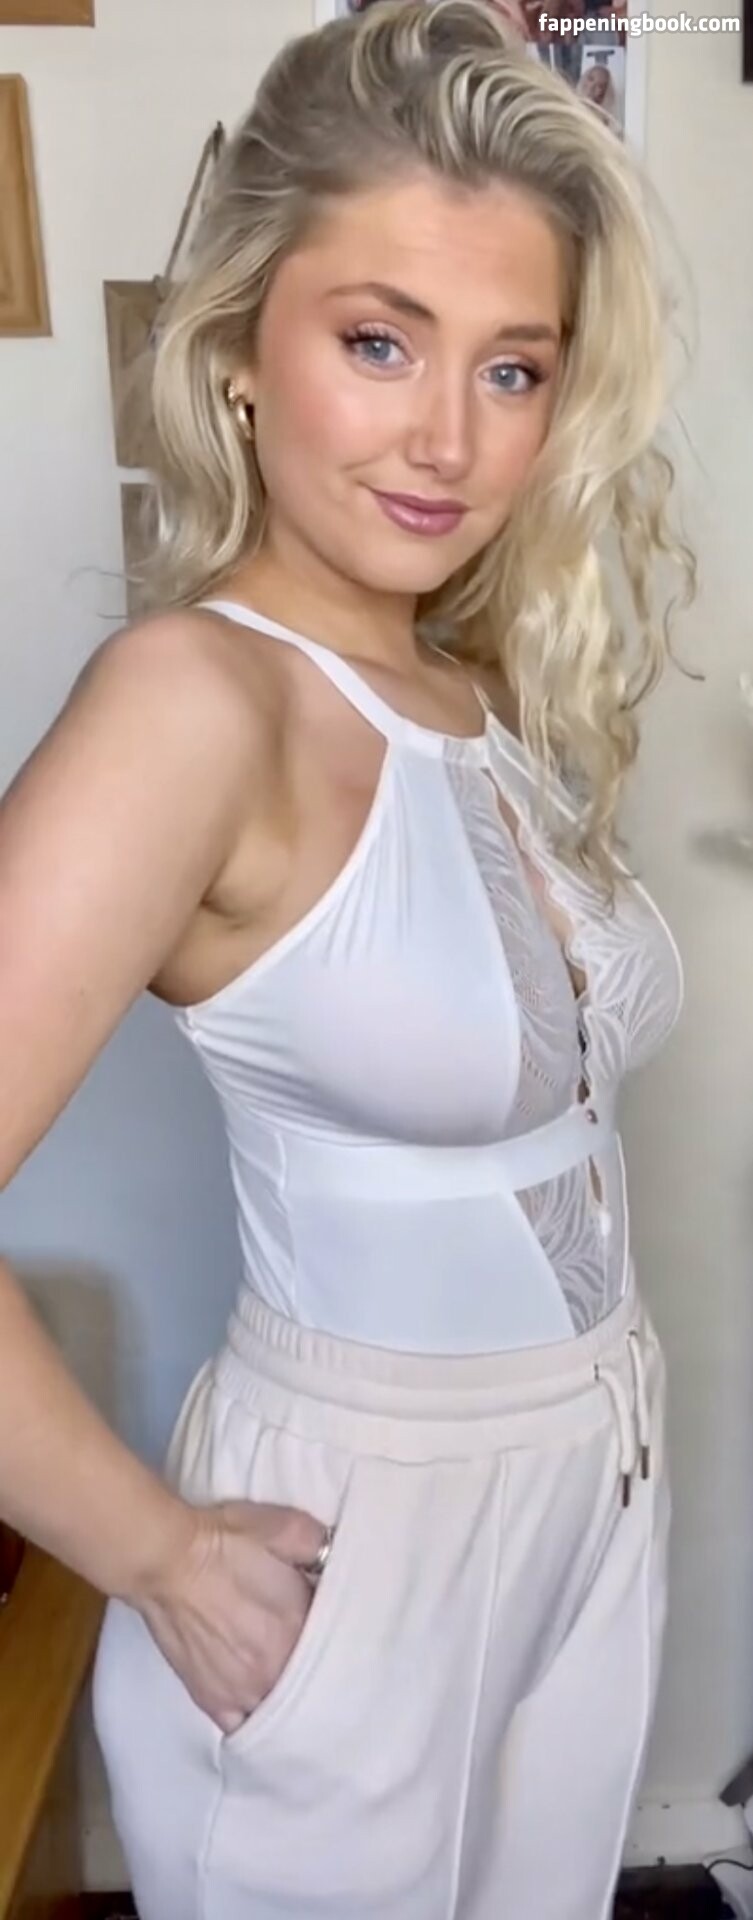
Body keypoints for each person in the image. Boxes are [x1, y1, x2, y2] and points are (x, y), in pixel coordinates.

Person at [0, 1, 695, 1915]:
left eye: (512, 367)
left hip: (590, 1489)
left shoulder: (473, 684)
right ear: (241, 349)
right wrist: (149, 1551)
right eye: (378, 341)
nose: (447, 438)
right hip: (352, 1549)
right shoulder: (192, 703)